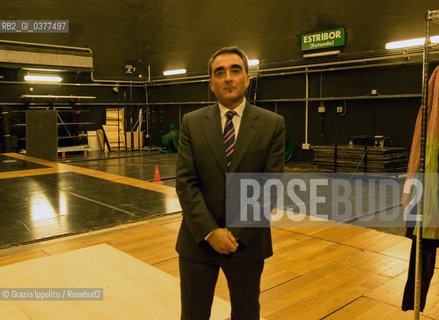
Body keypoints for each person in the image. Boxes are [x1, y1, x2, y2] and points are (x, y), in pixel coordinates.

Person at [175, 46, 285, 320]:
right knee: (193, 314)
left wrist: (235, 234)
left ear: (247, 79)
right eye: (219, 73)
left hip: (246, 243)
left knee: (246, 313)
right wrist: (211, 232)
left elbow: (270, 185)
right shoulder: (191, 122)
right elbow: (186, 182)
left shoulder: (272, 124)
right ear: (211, 83)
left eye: (235, 71)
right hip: (197, 241)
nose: (228, 78)